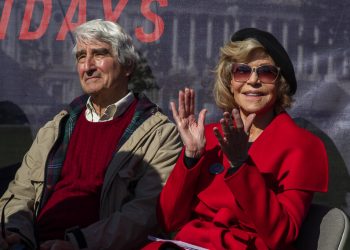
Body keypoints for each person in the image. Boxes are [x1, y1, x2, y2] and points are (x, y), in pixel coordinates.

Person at [0, 19, 182, 250]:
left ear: (127, 66)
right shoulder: (58, 126)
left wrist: (79, 244)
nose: (88, 66)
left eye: (99, 54)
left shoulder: (159, 133)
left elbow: (144, 213)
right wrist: (15, 234)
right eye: (81, 57)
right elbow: (21, 191)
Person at [143, 28, 328, 250]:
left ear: (280, 84)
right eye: (242, 71)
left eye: (266, 72)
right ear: (230, 81)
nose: (253, 80)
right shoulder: (208, 136)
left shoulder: (302, 146)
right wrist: (191, 157)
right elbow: (169, 220)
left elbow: (281, 235)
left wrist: (241, 166)